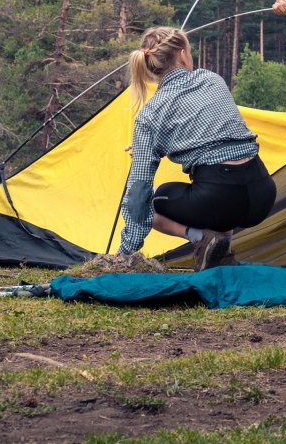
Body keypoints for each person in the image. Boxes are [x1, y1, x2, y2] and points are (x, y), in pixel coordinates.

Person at [117, 26, 277, 271]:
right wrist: (153, 146)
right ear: (182, 55)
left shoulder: (150, 114)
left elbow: (139, 187)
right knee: (217, 193)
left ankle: (199, 238)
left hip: (220, 199)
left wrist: (127, 249)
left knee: (150, 199)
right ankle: (218, 257)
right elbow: (210, 135)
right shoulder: (212, 80)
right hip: (262, 194)